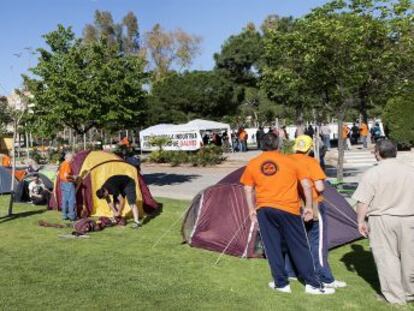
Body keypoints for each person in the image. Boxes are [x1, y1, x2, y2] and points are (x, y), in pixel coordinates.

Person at [240, 132, 335, 295]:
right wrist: (309, 207)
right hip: (289, 209)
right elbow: (306, 185)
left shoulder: (253, 163)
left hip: (265, 209)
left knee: (272, 247)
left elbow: (248, 188)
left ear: (261, 145)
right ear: (278, 145)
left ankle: (281, 283)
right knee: (299, 245)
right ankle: (312, 284)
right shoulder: (289, 161)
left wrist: (251, 209)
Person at [352, 140, 414, 305]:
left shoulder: (373, 173)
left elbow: (362, 202)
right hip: (409, 218)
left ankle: (395, 296)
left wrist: (360, 221)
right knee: (410, 257)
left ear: (378, 153)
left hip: (382, 219)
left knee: (387, 258)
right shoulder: (410, 171)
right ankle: (410, 292)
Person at [287, 135, 347, 289]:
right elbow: (320, 187)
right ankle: (325, 278)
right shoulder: (310, 161)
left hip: (292, 205)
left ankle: (291, 272)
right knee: (317, 243)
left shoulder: (287, 160)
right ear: (309, 148)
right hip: (312, 205)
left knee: (297, 239)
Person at [59, 153, 77, 221]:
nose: (73, 160)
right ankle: (72, 216)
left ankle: (64, 215)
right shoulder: (67, 164)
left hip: (63, 183)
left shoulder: (62, 164)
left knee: (65, 200)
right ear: (68, 158)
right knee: (71, 200)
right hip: (68, 183)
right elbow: (66, 175)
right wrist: (74, 177)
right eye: (72, 158)